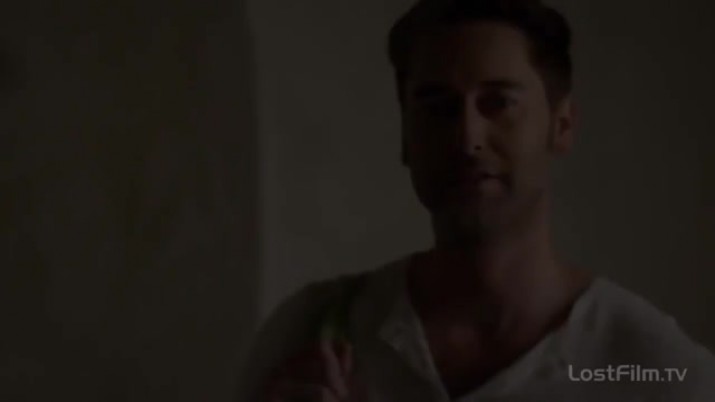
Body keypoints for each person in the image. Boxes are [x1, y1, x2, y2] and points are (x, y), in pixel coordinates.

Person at [237, 0, 715, 400]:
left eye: (499, 103)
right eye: (438, 107)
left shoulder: (653, 371)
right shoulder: (312, 334)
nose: (467, 139)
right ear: (405, 135)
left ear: (562, 125)